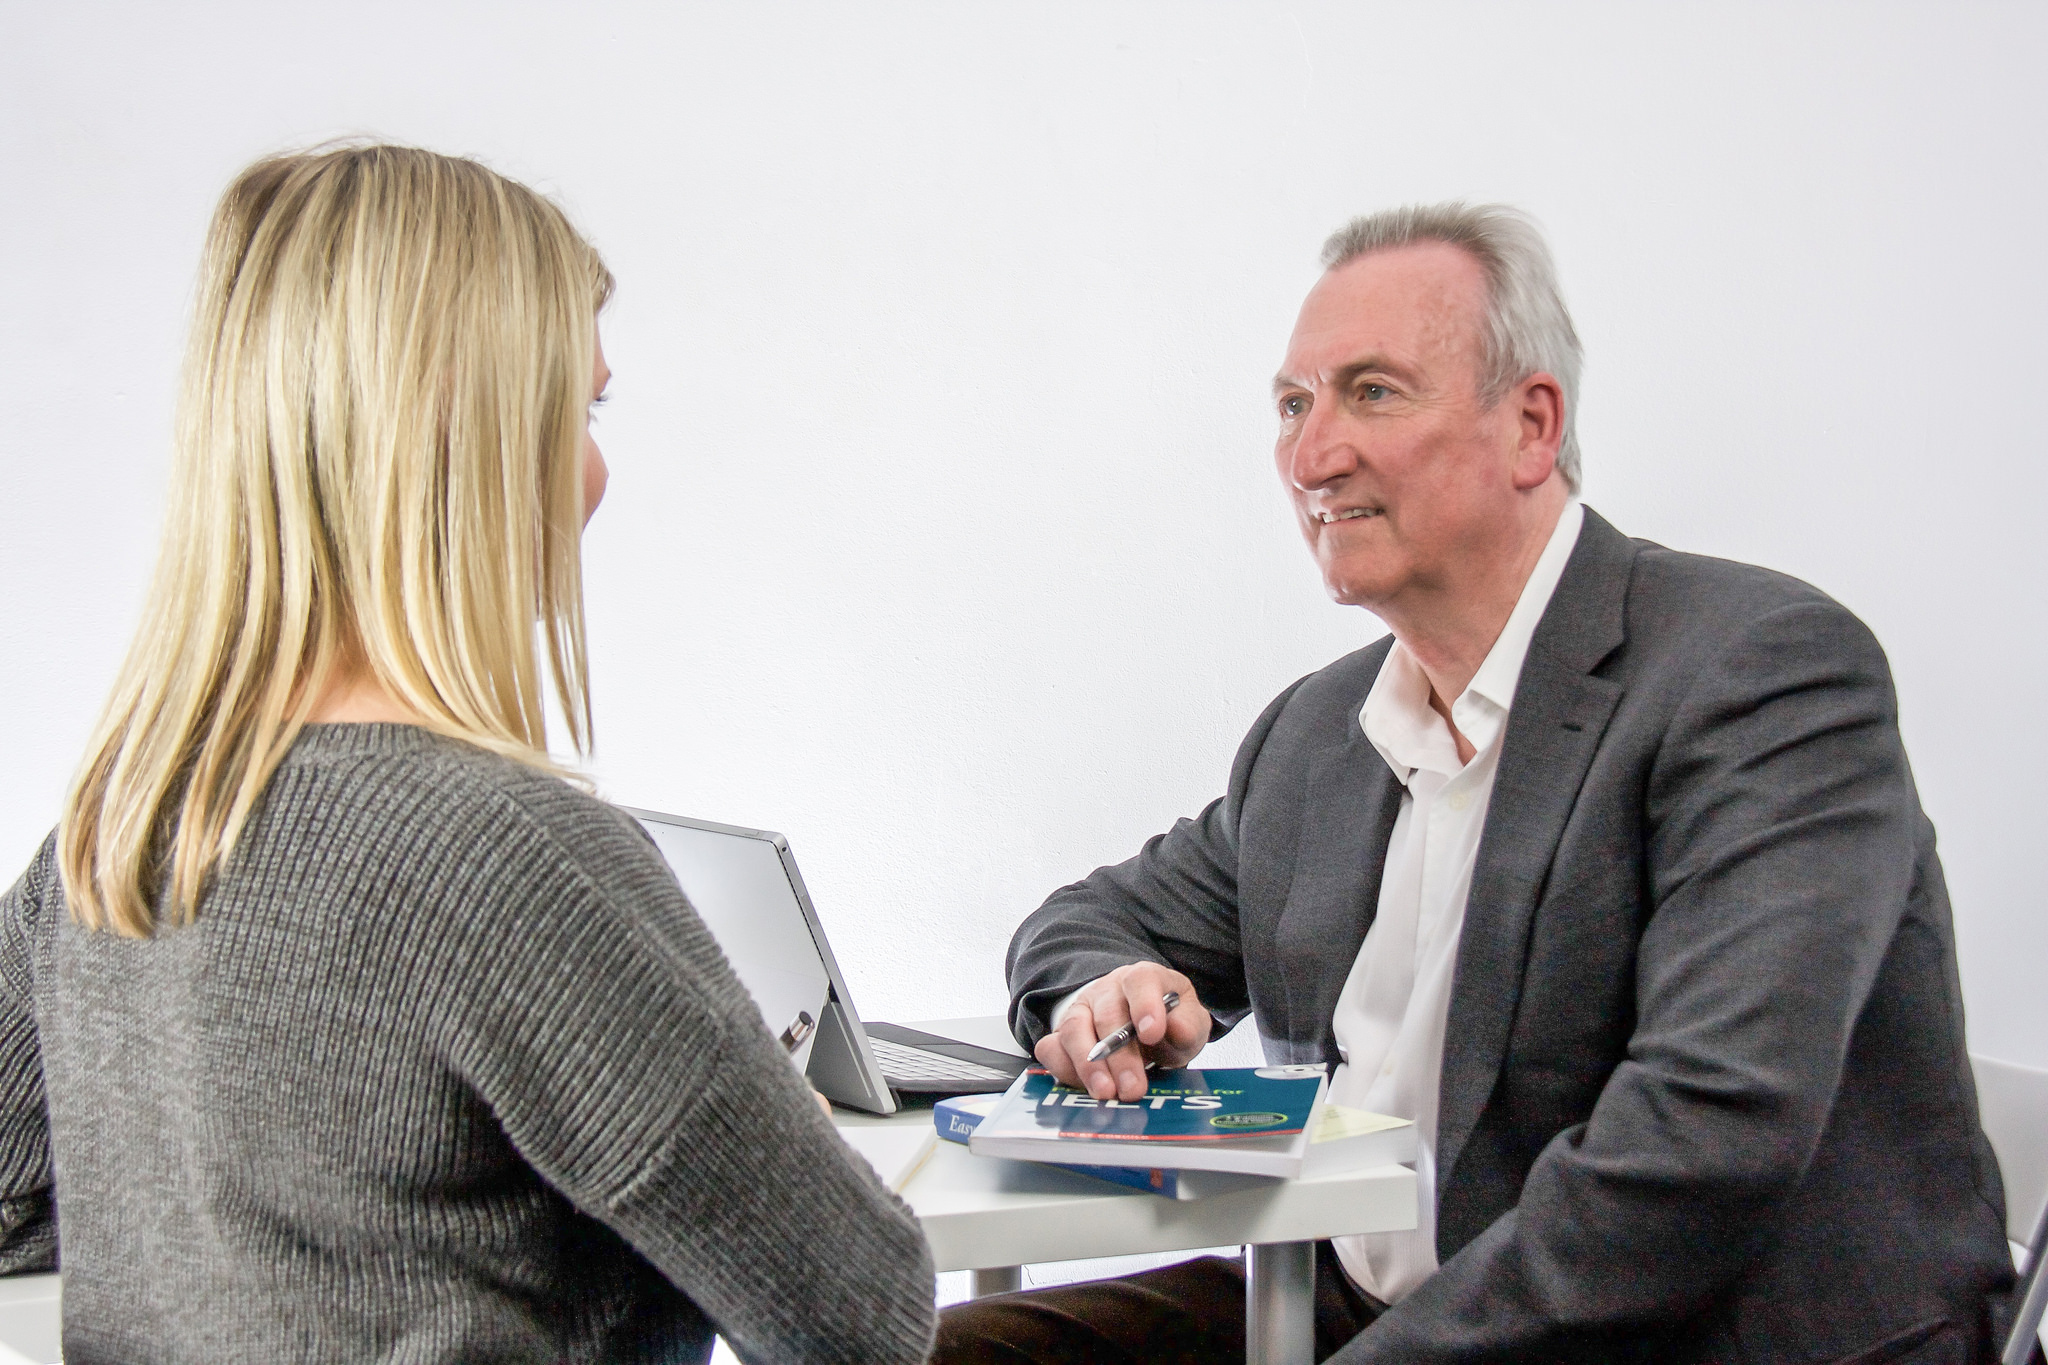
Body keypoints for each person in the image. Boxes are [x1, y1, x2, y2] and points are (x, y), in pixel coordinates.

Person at [937, 204, 2022, 1364]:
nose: (1311, 458)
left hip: (1675, 1336)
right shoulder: (1318, 735)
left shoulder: (1761, 676)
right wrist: (1103, 988)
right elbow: (1085, 921)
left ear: (1529, 425)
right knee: (898, 1343)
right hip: (1358, 1311)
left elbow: (1706, 1141)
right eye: (1293, 406)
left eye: (1373, 393)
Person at [0, 145, 935, 1363]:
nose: (595, 471)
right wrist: (750, 1154)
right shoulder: (504, 855)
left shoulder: (117, 831)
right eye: (579, 410)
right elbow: (861, 1316)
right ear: (466, 425)